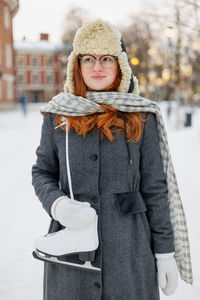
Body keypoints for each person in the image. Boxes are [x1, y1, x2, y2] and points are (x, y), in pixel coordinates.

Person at [32, 19, 192, 300]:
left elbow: (155, 187)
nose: (97, 67)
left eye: (106, 58)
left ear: (120, 65)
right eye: (89, 59)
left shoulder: (142, 116)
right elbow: (42, 172)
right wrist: (57, 204)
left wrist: (165, 250)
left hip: (130, 252)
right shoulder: (58, 116)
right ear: (77, 65)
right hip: (71, 252)